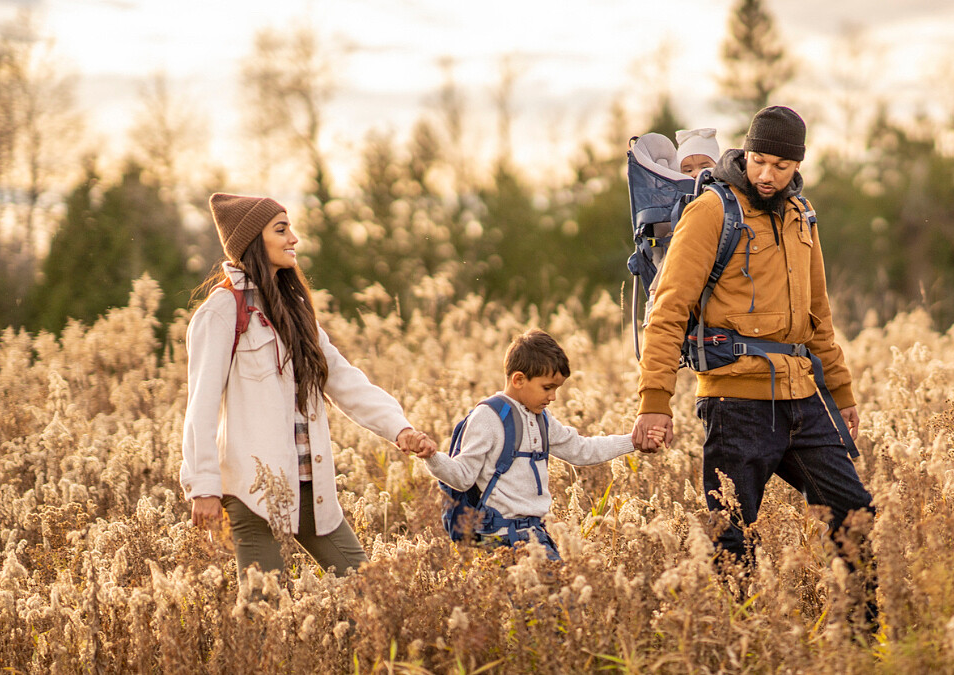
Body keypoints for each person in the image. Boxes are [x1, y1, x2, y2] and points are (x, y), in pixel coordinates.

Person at [631, 107, 875, 574]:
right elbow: (668, 310)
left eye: (781, 167)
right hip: (735, 402)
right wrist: (654, 401)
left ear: (798, 166)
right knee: (731, 539)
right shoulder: (710, 211)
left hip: (804, 398)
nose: (767, 175)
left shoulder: (803, 216)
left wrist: (841, 393)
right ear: (745, 152)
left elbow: (818, 315)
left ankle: (863, 638)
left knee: (857, 517)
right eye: (759, 160)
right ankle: (735, 641)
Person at [180, 192, 437, 584]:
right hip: (253, 489)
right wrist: (203, 487)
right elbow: (200, 406)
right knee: (262, 611)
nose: (293, 238)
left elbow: (343, 377)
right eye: (281, 230)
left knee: (367, 591)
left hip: (310, 485)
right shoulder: (221, 311)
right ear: (253, 242)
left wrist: (398, 427)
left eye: (290, 229)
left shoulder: (295, 308)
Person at [414, 329, 646, 560]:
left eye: (556, 389)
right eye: (547, 387)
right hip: (503, 539)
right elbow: (462, 476)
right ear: (518, 380)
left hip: (535, 534)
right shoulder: (488, 417)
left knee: (559, 595)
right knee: (557, 596)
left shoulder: (540, 418)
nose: (553, 397)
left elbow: (581, 451)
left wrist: (633, 441)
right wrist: (431, 457)